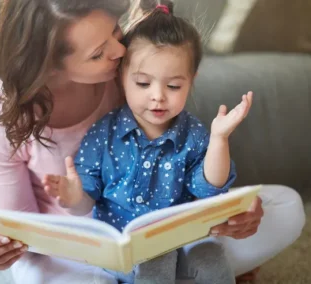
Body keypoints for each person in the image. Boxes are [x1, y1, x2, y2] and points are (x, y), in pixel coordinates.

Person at [0, 0, 305, 283]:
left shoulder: (132, 71)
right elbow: (23, 232)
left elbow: (191, 167)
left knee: (285, 206)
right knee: (37, 271)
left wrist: (236, 214)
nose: (120, 51)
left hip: (168, 228)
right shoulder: (1, 117)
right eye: (99, 52)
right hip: (73, 250)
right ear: (48, 64)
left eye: (115, 31)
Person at [42, 4, 251, 283]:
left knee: (211, 257)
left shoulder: (194, 133)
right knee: (157, 256)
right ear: (121, 79)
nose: (158, 97)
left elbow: (209, 189)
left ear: (191, 81)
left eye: (174, 86)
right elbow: (84, 202)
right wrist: (73, 197)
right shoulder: (104, 134)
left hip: (184, 241)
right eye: (143, 83)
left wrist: (219, 139)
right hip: (125, 251)